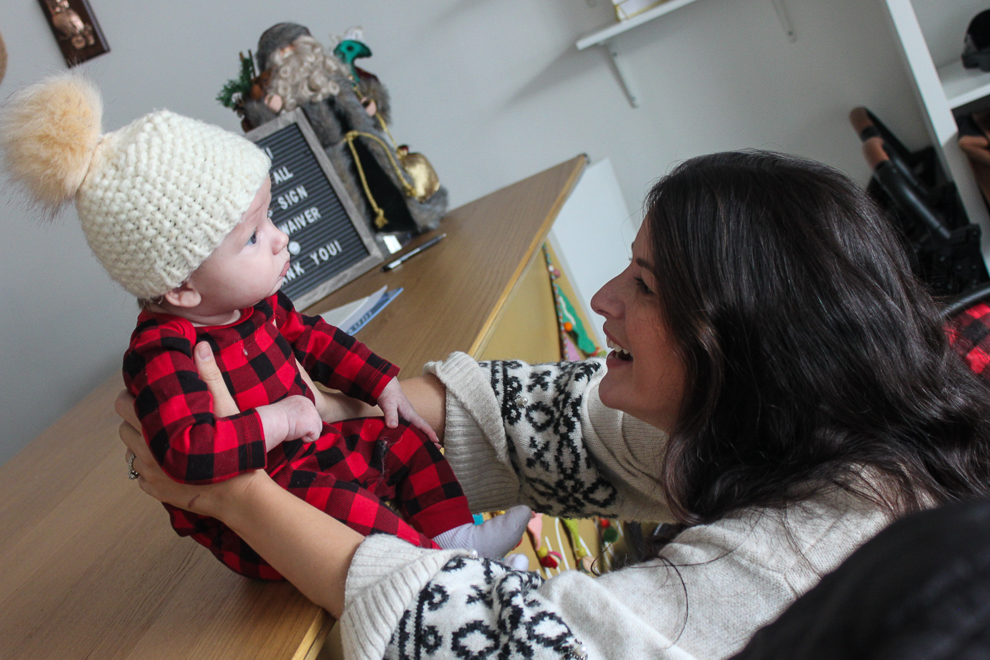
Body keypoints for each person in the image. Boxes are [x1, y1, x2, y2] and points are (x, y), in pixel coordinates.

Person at [117, 150, 990, 660]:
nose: (603, 298)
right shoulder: (819, 421)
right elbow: (559, 416)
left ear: (740, 348)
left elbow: (498, 640)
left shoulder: (792, 565)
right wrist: (342, 401)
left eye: (643, 283)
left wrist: (236, 490)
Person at [0, 73, 529, 581]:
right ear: (181, 288)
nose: (281, 239)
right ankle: (446, 574)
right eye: (252, 236)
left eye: (270, 217)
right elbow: (187, 449)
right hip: (266, 514)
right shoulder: (161, 351)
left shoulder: (256, 307)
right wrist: (276, 421)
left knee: (402, 442)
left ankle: (458, 539)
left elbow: (315, 338)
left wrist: (380, 383)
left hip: (312, 454)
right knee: (356, 517)